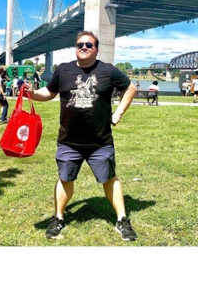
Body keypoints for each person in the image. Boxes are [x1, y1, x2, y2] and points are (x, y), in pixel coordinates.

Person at [28, 30, 137, 241]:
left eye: (89, 45)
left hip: (100, 140)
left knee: (109, 179)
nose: (84, 48)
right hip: (69, 140)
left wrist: (119, 113)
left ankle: (122, 219)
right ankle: (58, 218)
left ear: (96, 48)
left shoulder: (108, 70)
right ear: (75, 49)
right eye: (80, 45)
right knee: (65, 178)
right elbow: (49, 93)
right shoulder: (63, 70)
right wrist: (32, 94)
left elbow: (130, 88)